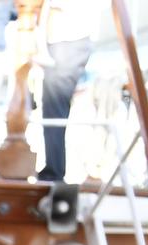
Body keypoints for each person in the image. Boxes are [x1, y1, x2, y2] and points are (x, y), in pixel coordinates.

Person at [35, 0, 96, 183]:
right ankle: (54, 171)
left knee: (55, 110)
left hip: (67, 42)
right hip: (64, 42)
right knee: (54, 110)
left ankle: (54, 173)